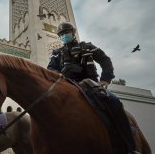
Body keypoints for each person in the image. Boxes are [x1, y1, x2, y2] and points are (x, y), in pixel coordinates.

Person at [47, 22, 138, 154]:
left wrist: (105, 80)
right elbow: (50, 69)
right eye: (61, 34)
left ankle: (131, 148)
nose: (64, 36)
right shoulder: (57, 53)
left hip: (90, 85)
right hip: (66, 86)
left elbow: (105, 60)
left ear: (73, 32)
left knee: (115, 102)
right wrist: (59, 74)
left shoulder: (87, 47)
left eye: (66, 32)